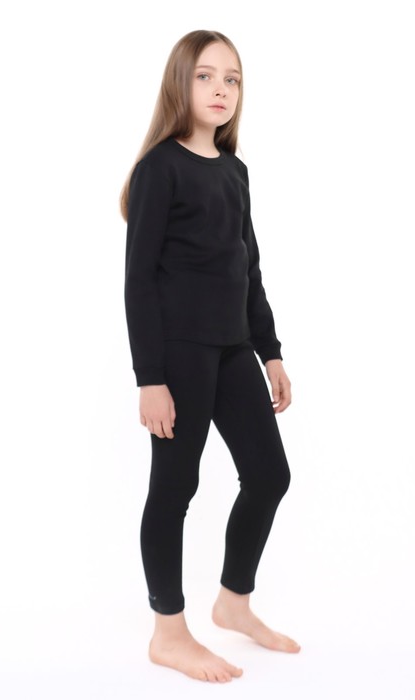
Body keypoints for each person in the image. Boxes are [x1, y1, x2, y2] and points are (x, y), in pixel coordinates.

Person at [119, 29, 300, 683]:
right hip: (180, 354)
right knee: (175, 488)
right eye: (205, 76)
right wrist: (150, 378)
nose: (221, 89)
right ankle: (168, 633)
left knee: (270, 475)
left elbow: (247, 268)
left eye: (232, 79)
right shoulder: (160, 168)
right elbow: (139, 280)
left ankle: (233, 602)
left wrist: (270, 352)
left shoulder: (234, 171)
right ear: (180, 83)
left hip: (233, 350)